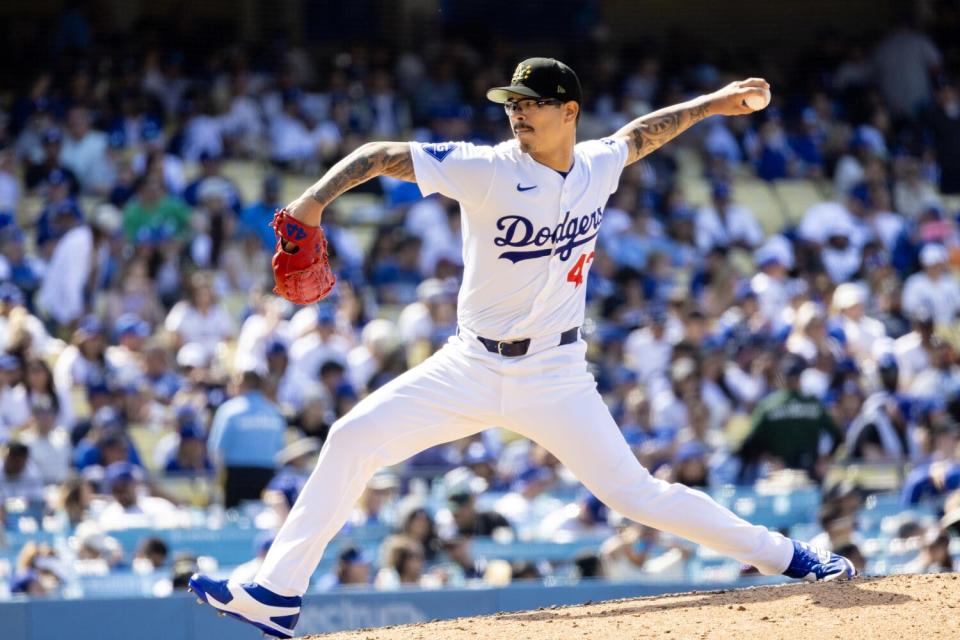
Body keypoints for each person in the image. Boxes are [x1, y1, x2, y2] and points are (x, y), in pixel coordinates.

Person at [189, 57, 855, 639]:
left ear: (569, 112)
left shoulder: (596, 164)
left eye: (531, 104)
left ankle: (792, 558)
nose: (517, 115)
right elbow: (376, 156)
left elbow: (641, 134)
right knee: (352, 436)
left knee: (637, 495)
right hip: (470, 364)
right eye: (512, 104)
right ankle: (277, 594)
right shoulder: (485, 169)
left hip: (557, 372)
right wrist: (309, 204)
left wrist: (712, 104)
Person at [207, 370, 287, 508]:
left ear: (242, 384)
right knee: (263, 519)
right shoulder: (274, 412)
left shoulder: (229, 410)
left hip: (236, 475)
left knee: (233, 521)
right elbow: (280, 448)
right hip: (267, 474)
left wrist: (218, 479)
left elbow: (215, 449)